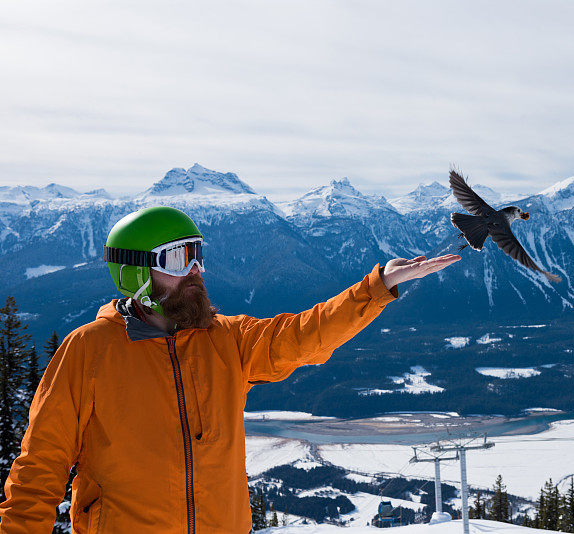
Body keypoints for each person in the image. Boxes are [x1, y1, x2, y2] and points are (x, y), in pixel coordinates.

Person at [0, 206, 460, 533]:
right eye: (180, 258)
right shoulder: (88, 352)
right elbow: (39, 467)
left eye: (198, 253)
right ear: (135, 272)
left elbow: (303, 335)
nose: (197, 269)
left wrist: (377, 287)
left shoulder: (226, 339)